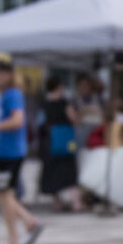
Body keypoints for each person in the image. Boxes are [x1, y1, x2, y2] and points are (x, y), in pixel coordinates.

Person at [0, 54, 45, 244]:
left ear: (10, 73)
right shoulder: (8, 93)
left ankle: (20, 233)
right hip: (6, 152)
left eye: (2, 71)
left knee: (1, 194)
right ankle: (26, 224)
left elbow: (17, 121)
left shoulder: (12, 93)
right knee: (3, 194)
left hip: (10, 153)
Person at [36, 75, 84, 211]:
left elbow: (40, 122)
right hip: (66, 140)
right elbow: (74, 119)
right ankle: (76, 202)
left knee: (51, 170)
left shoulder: (43, 103)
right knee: (70, 169)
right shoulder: (64, 103)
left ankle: (57, 202)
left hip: (49, 141)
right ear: (59, 87)